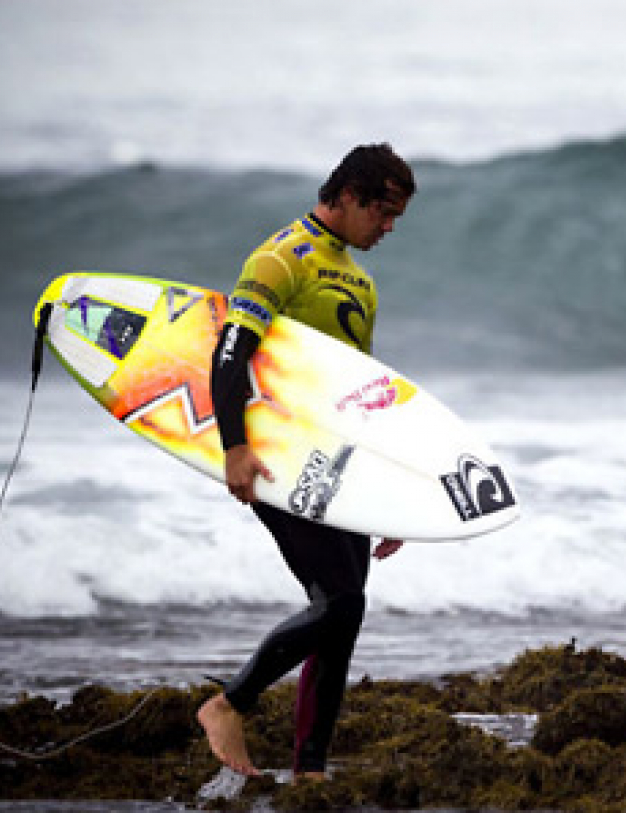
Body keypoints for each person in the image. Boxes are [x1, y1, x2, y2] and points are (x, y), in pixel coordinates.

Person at [197, 143, 416, 779]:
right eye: (383, 211)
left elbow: (357, 396)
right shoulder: (277, 260)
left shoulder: (360, 281)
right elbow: (229, 357)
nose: (388, 226)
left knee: (342, 619)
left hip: (335, 465)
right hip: (275, 462)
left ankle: (311, 771)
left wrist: (386, 490)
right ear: (346, 196)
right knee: (341, 603)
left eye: (396, 215)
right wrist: (235, 446)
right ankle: (227, 704)